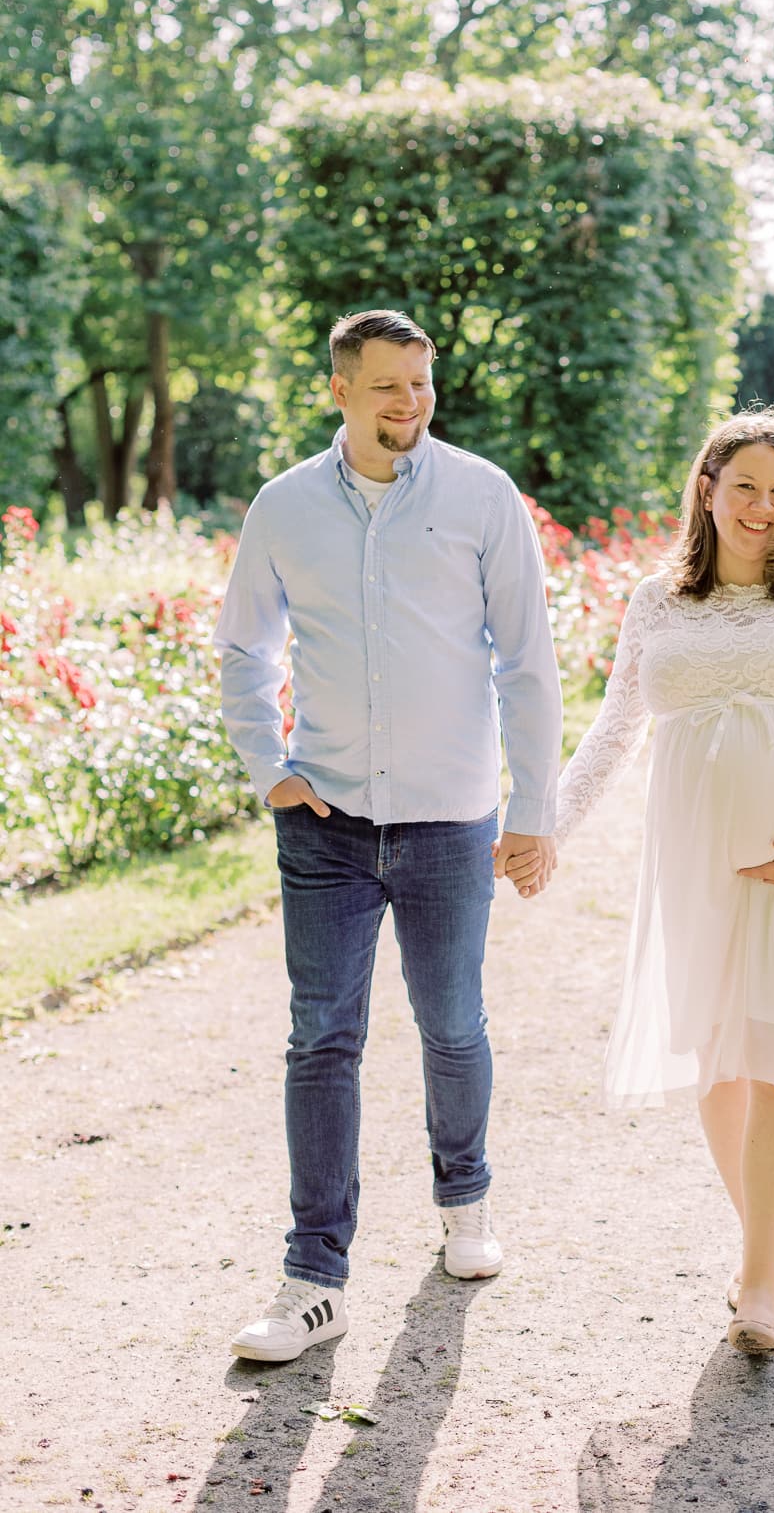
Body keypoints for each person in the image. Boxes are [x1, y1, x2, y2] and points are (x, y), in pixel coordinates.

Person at [214, 308, 561, 1363]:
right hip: (325, 823)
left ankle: (467, 1203)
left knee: (453, 1023)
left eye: (421, 383)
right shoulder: (284, 508)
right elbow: (243, 647)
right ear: (339, 392)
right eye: (387, 387)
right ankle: (314, 1278)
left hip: (452, 819)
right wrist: (267, 769)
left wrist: (534, 811)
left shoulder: (480, 496)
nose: (409, 403)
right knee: (322, 1038)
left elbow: (527, 661)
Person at [538, 408, 774, 1356]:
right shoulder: (658, 602)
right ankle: (768, 1246)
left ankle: (760, 1287)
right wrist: (545, 826)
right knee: (720, 1062)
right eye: (746, 485)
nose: (764, 506)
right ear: (708, 487)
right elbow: (616, 727)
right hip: (697, 861)